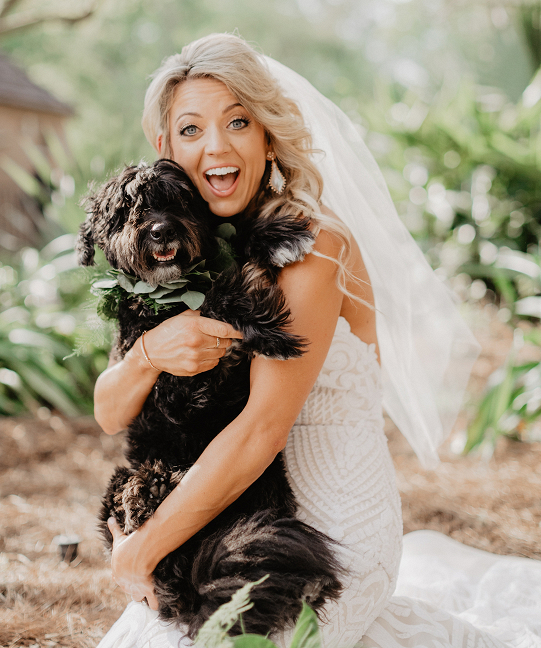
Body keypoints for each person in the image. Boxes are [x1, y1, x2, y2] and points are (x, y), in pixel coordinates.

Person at [95, 34, 541, 648]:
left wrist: (141, 549)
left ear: (268, 135)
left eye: (238, 122)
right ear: (166, 147)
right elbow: (109, 409)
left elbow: (261, 429)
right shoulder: (176, 253)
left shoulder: (311, 246)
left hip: (334, 527)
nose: (217, 147)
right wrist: (149, 351)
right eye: (192, 129)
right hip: (234, 519)